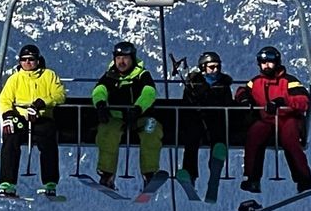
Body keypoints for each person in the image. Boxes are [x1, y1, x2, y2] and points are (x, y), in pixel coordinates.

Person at [234, 46, 311, 193]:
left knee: (289, 140)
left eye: (269, 62)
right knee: (254, 136)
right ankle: (252, 179)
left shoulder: (289, 81)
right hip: (267, 119)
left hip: (288, 118)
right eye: (263, 62)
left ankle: (303, 179)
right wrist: (244, 99)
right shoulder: (256, 82)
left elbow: (303, 100)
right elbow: (241, 91)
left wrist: (283, 102)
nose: (266, 65)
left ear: (276, 62)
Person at [91, 41, 163, 190]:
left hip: (143, 117)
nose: (121, 62)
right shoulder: (110, 76)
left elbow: (149, 93)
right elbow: (99, 90)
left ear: (132, 58)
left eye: (125, 58)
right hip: (117, 117)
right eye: (118, 58)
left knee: (152, 130)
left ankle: (149, 174)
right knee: (107, 132)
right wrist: (100, 104)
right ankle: (107, 174)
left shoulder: (142, 75)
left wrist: (138, 108)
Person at [0, 44, 67, 197]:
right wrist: (8, 115)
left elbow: (59, 94)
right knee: (10, 138)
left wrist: (42, 103)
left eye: (31, 59)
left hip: (41, 117)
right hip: (21, 118)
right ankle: (7, 182)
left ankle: (50, 182)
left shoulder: (48, 76)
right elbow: (5, 99)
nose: (27, 63)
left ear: (38, 60)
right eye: (24, 59)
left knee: (48, 139)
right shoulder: (15, 79)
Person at [180, 51, 235, 197]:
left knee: (218, 140)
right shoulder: (193, 84)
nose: (215, 70)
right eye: (211, 67)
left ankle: (214, 173)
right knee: (192, 140)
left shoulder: (223, 85)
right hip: (197, 120)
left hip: (216, 120)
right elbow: (186, 105)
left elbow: (228, 105)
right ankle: (190, 174)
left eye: (217, 67)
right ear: (203, 68)